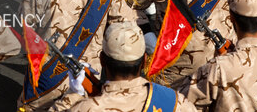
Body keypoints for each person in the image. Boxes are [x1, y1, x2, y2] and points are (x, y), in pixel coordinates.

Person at [61, 22, 198, 111]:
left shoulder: (86, 108)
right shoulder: (175, 101)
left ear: (102, 60)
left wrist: (73, 94)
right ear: (145, 60)